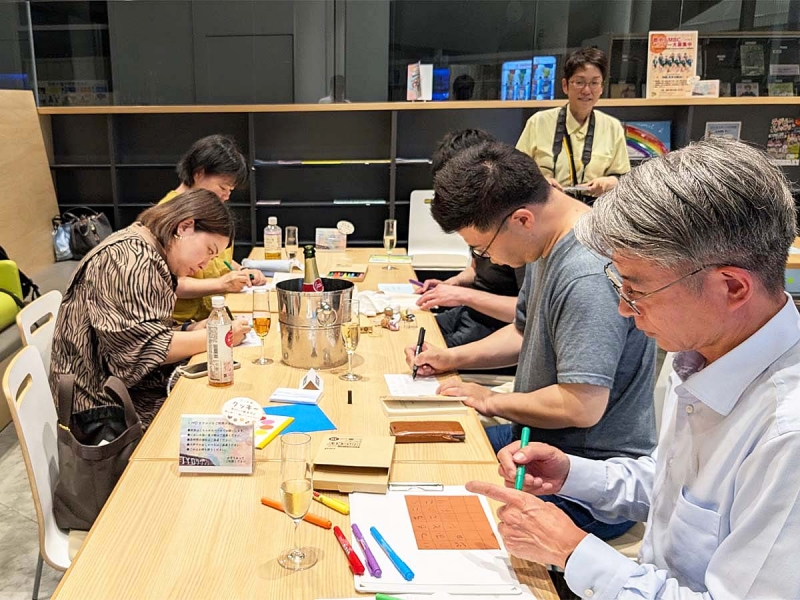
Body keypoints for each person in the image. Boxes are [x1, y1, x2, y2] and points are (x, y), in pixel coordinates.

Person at [466, 137, 800, 599]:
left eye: (637, 290)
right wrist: (573, 474)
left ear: (732, 287)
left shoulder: (785, 435)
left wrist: (573, 552)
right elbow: (672, 490)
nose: (624, 309)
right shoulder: (700, 355)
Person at [405, 141, 655, 540]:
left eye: (482, 248)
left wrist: (491, 400)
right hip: (533, 438)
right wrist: (451, 357)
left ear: (522, 219)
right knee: (418, 456)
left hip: (585, 479)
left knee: (438, 518)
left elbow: (581, 405)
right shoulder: (544, 243)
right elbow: (524, 331)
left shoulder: (588, 273)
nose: (489, 260)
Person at [50, 190, 252, 429]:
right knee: (221, 414)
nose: (204, 265)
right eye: (209, 250)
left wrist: (191, 328)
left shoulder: (148, 250)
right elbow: (139, 353)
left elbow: (144, 327)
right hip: (102, 411)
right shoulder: (128, 260)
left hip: (121, 392)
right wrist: (220, 337)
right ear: (185, 227)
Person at [415, 129, 525, 348]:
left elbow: (526, 313)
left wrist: (463, 295)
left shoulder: (515, 226)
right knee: (405, 333)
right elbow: (477, 269)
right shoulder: (480, 216)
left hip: (495, 329)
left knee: (417, 353)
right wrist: (452, 284)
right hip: (470, 313)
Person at [160, 134, 266, 324]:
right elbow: (167, 284)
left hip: (214, 314)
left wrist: (242, 271)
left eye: (230, 190)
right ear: (199, 173)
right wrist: (221, 284)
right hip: (181, 323)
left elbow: (219, 259)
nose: (226, 196)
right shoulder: (167, 215)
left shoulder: (208, 210)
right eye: (223, 187)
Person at [516, 47, 629, 201]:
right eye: (579, 82)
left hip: (594, 210)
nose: (587, 90)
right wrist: (541, 183)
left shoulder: (612, 127)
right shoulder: (538, 122)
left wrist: (609, 182)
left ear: (602, 87)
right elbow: (516, 172)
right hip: (546, 206)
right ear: (565, 85)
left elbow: (623, 178)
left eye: (594, 83)